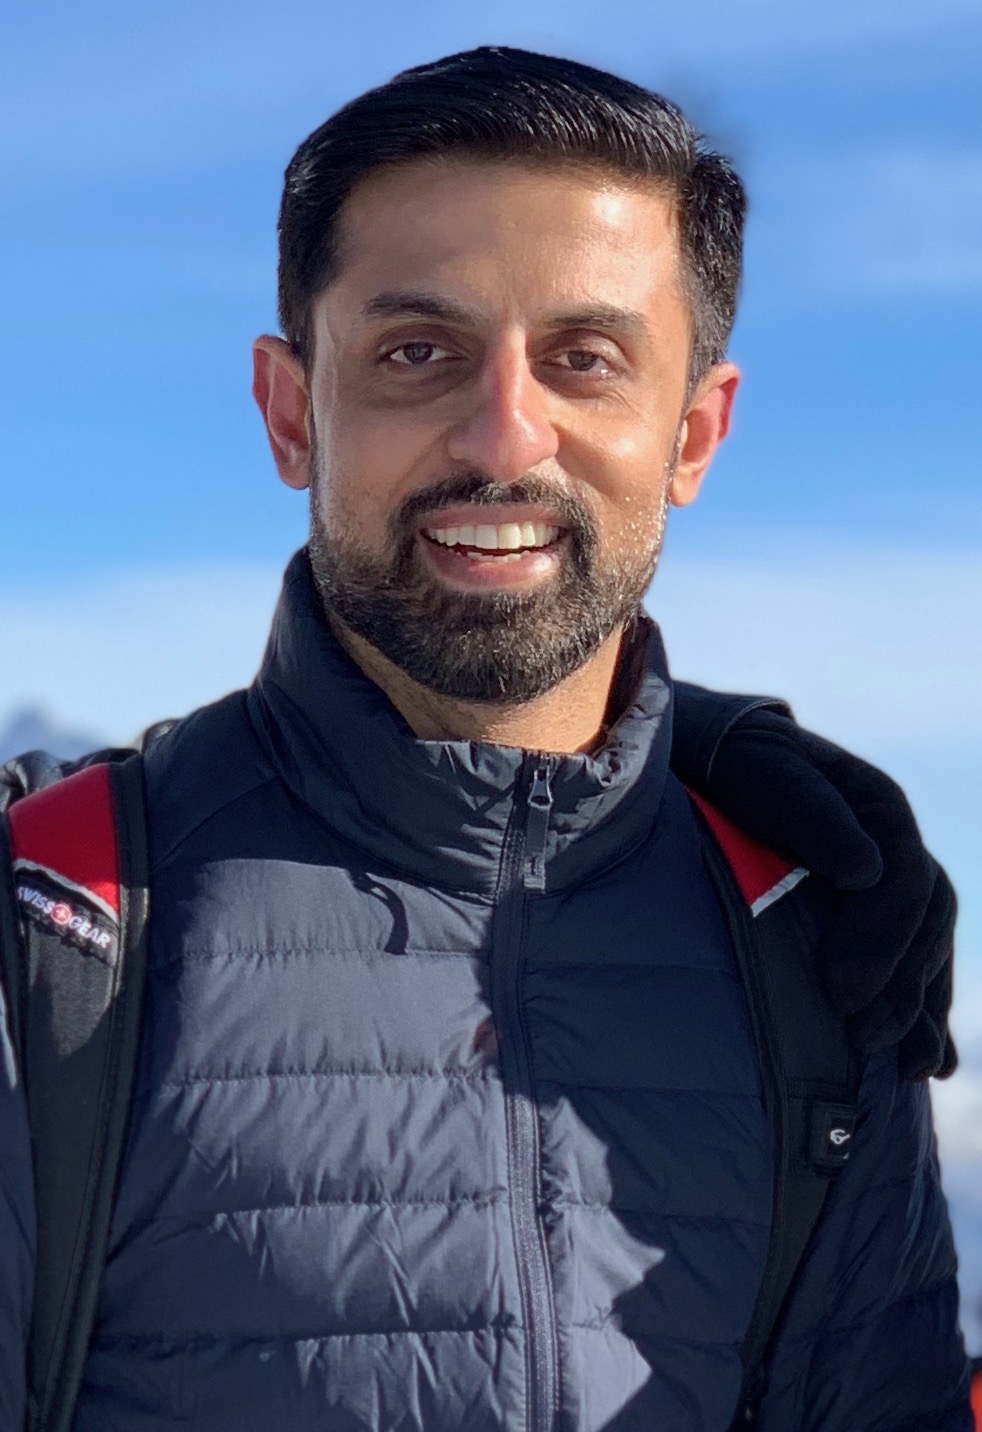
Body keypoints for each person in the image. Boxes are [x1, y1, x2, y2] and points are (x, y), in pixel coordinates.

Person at [0, 46, 970, 1432]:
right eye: (417, 354)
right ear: (292, 412)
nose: (504, 438)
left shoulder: (814, 945)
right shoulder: (55, 941)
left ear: (693, 433)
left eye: (585, 359)